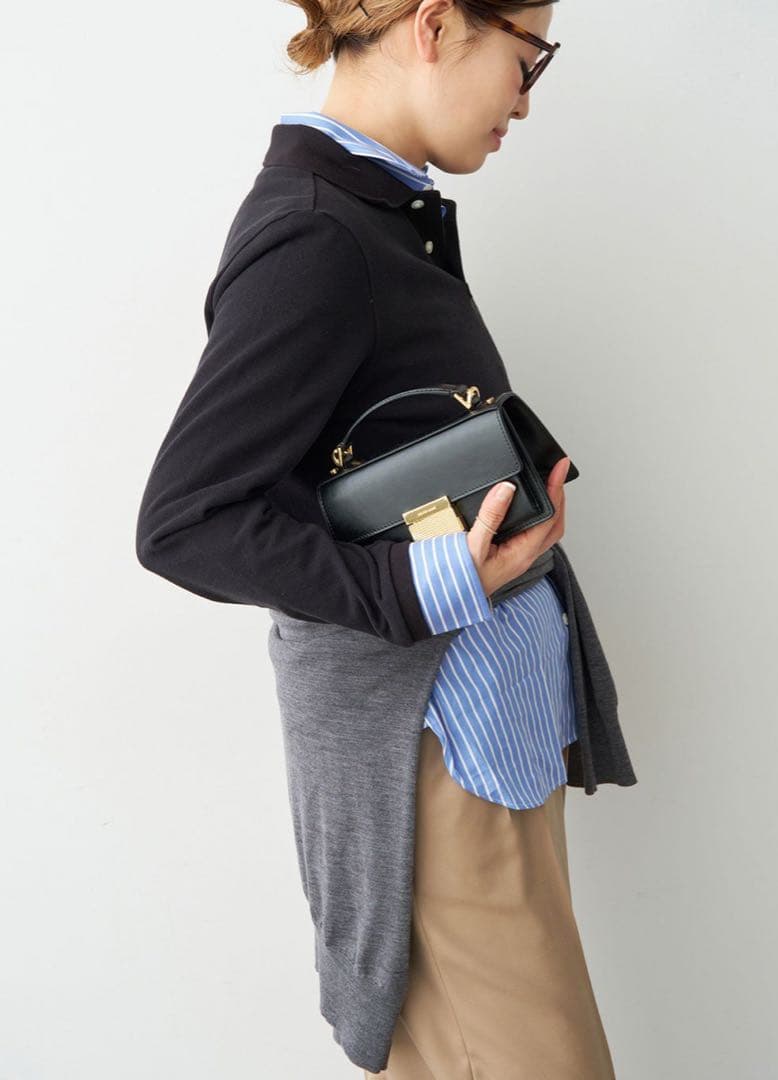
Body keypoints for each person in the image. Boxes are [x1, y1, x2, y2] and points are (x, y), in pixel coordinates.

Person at [135, 0, 638, 1074]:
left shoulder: (376, 213)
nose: (524, 100)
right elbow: (186, 520)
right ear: (435, 26)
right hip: (435, 755)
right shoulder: (318, 234)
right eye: (527, 57)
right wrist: (428, 586)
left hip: (473, 744)